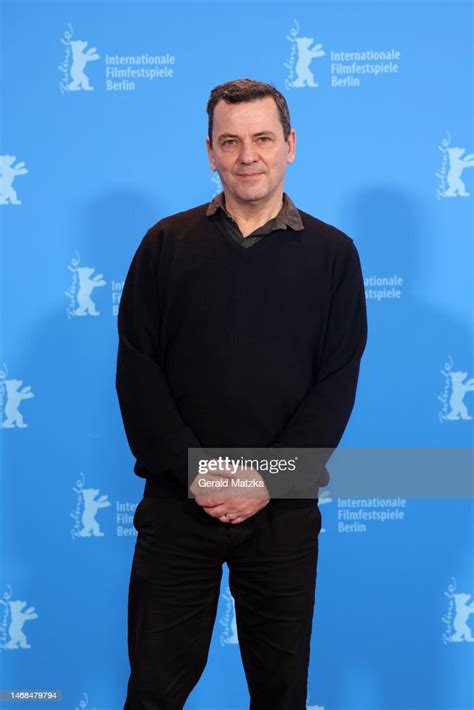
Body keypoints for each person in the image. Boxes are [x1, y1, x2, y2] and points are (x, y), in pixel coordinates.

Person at [116, 78, 367, 710]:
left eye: (261, 138)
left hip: (282, 513)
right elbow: (138, 374)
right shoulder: (165, 244)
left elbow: (335, 384)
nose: (246, 155)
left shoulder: (335, 255)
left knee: (281, 696)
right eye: (230, 141)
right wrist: (200, 475)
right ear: (210, 152)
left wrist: (265, 480)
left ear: (290, 144)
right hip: (178, 505)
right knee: (151, 691)